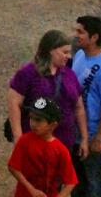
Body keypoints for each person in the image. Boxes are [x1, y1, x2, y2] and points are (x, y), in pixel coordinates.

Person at [9, 29, 88, 158]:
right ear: (51, 50)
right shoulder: (28, 73)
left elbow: (79, 108)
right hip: (34, 144)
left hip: (64, 146)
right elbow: (14, 103)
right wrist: (18, 138)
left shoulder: (69, 75)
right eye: (65, 52)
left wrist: (84, 138)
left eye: (69, 52)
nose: (68, 56)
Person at [71, 15, 101, 197]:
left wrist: (98, 138)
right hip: (77, 136)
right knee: (78, 188)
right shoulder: (80, 56)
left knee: (97, 189)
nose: (77, 35)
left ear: (94, 37)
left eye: (81, 32)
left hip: (96, 141)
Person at [9, 97, 79, 197]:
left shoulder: (60, 150)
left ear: (53, 125)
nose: (33, 123)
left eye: (38, 120)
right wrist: (31, 189)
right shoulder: (24, 140)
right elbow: (13, 167)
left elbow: (71, 181)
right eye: (31, 118)